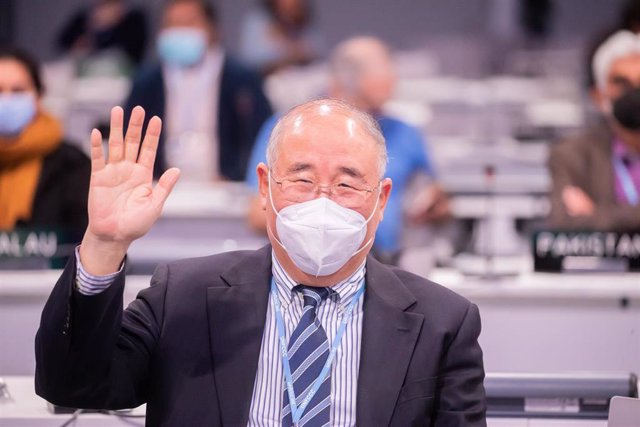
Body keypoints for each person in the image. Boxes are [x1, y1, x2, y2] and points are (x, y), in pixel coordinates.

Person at [35, 99, 486, 425]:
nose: (322, 200)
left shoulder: (442, 322)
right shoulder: (185, 296)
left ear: (381, 199)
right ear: (265, 187)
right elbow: (72, 386)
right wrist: (102, 244)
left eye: (347, 185)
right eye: (302, 179)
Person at [246, 37, 450, 265]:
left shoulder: (404, 131)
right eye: (365, 105)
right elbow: (257, 212)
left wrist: (434, 202)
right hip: (299, 259)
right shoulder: (289, 130)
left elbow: (438, 197)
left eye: (377, 111)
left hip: (387, 262)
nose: (370, 122)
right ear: (337, 88)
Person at [125, 0, 272, 181]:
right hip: (160, 185)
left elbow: (262, 138)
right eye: (172, 24)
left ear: (213, 28)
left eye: (189, 23)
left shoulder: (242, 80)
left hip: (227, 188)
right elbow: (130, 135)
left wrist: (235, 175)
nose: (180, 32)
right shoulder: (146, 82)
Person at [548, 30, 640, 230]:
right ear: (599, 95)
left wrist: (597, 214)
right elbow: (563, 223)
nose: (634, 92)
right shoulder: (571, 154)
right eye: (621, 83)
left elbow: (588, 222)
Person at [0, 47, 90, 237]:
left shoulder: (72, 164)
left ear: (38, 96)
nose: (6, 99)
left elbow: (85, 241)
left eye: (18, 91)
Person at [238, 0, 324, 76]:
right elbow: (251, 64)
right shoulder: (258, 22)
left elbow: (318, 55)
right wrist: (290, 57)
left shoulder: (304, 23)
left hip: (303, 86)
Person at [56, 0, 148, 66]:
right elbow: (62, 41)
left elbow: (136, 52)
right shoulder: (84, 18)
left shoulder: (134, 19)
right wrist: (93, 28)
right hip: (88, 75)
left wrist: (113, 26)